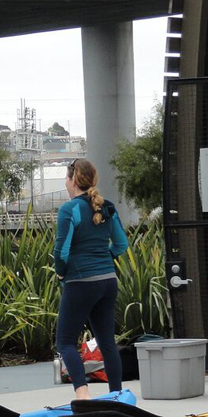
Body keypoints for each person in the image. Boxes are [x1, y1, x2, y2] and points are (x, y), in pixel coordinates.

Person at [53, 158, 129, 398]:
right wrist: (103, 259)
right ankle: (116, 396)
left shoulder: (70, 209)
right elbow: (121, 244)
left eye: (66, 178)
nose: (66, 182)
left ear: (73, 179)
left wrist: (61, 272)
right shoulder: (106, 206)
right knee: (107, 341)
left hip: (81, 281)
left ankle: (83, 395)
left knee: (65, 341)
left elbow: (61, 252)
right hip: (107, 280)